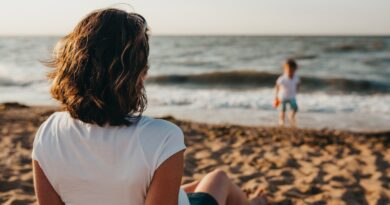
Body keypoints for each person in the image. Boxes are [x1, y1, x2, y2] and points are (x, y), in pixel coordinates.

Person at [32, 8, 267, 205]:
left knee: (190, 186)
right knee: (219, 178)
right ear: (137, 75)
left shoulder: (47, 133)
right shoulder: (164, 138)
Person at [274, 59, 300, 126]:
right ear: (284, 69)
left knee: (295, 108)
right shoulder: (282, 78)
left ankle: (291, 116)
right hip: (283, 96)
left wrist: (296, 90)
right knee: (283, 109)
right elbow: (277, 86)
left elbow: (297, 84)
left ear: (295, 70)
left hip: (292, 96)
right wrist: (276, 96)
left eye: (291, 70)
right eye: (288, 70)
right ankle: (281, 120)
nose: (289, 71)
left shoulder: (296, 77)